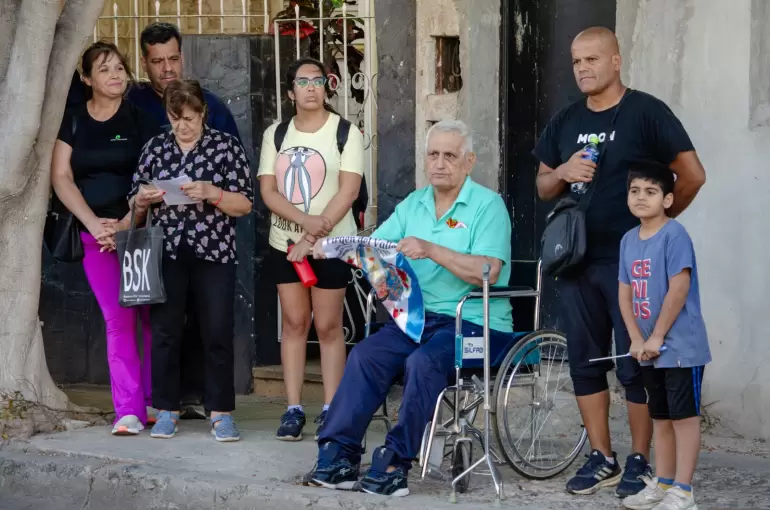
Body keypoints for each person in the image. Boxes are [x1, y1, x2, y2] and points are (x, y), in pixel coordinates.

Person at [532, 26, 706, 497]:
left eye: (592, 59)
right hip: (575, 261)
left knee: (636, 363)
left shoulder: (646, 112)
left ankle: (639, 461)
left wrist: (658, 228)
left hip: (631, 263)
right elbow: (543, 184)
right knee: (586, 364)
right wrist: (563, 171)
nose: (583, 69)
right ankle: (601, 456)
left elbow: (692, 175)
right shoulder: (566, 119)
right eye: (576, 61)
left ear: (615, 61)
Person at [305, 119, 513, 497]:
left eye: (450, 155)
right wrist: (335, 247)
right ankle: (339, 454)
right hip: (418, 319)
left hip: (477, 324)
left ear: (469, 162)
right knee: (367, 354)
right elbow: (375, 248)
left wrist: (432, 249)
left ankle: (396, 461)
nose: (439, 163)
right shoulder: (414, 203)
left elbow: (488, 270)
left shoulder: (488, 205)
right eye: (433, 154)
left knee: (424, 362)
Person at [126, 79, 253, 442]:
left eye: (189, 117)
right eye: (175, 117)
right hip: (166, 253)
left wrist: (213, 194)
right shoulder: (155, 148)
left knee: (217, 331)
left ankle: (221, 412)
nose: (182, 125)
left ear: (202, 113)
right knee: (165, 332)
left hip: (214, 252)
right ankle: (166, 410)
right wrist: (144, 199)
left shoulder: (225, 147)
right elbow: (134, 203)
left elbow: (244, 204)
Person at [50, 41, 160, 435]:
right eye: (105, 69)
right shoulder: (74, 120)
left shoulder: (141, 119)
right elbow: (61, 176)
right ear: (86, 79)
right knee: (118, 318)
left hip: (140, 232)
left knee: (149, 316)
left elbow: (154, 176)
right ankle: (127, 410)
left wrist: (128, 222)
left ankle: (153, 403)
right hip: (93, 235)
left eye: (120, 68)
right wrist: (95, 224)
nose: (115, 75)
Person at [257, 57, 365, 442]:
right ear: (290, 92)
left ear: (327, 87)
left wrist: (315, 235)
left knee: (329, 325)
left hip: (332, 245)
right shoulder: (276, 134)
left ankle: (331, 408)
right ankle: (293, 408)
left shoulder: (346, 133)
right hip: (285, 244)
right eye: (302, 82)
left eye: (318, 80)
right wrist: (304, 227)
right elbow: (268, 191)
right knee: (294, 324)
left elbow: (349, 191)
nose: (310, 87)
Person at [619, 164, 710, 510]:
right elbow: (624, 293)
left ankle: (684, 492)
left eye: (651, 191)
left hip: (680, 348)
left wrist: (656, 336)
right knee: (660, 416)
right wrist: (635, 338)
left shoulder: (675, 235)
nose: (641, 197)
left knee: (684, 418)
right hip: (648, 350)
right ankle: (664, 482)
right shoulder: (628, 240)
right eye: (635, 191)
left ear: (668, 199)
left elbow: (679, 287)